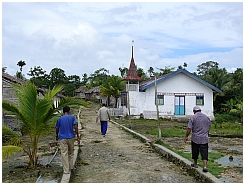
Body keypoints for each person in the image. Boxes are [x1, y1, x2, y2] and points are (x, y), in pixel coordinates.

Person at [184, 106, 211, 173]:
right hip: (204, 138)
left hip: (195, 138)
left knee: (195, 151)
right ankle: (205, 166)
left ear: (194, 111)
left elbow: (189, 128)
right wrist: (207, 133)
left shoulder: (193, 117)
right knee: (204, 152)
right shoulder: (206, 117)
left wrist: (186, 136)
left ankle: (195, 164)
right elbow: (209, 126)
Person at [56, 106, 80, 174]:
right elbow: (75, 127)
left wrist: (56, 136)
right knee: (71, 153)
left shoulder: (60, 119)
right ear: (69, 111)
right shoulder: (72, 117)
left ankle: (66, 170)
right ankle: (71, 167)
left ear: (63, 112)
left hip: (63, 138)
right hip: (71, 137)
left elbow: (57, 128)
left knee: (64, 153)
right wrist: (78, 136)